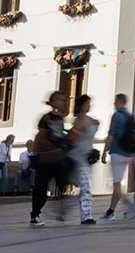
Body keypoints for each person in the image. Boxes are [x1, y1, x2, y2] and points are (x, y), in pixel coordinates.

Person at [29, 91, 73, 227]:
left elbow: (59, 135)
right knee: (41, 188)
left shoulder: (60, 119)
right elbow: (42, 137)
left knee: (63, 182)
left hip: (58, 159)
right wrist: (52, 149)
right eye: (60, 100)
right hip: (46, 159)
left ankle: (59, 207)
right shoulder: (46, 118)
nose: (63, 102)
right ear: (53, 102)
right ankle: (35, 214)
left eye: (64, 100)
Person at [101, 93, 135, 221]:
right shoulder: (130, 116)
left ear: (119, 102)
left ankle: (131, 207)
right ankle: (110, 211)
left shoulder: (117, 116)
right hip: (128, 153)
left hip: (117, 153)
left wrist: (104, 151)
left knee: (116, 184)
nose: (114, 104)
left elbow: (111, 134)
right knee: (116, 184)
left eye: (115, 102)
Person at [61, 94, 98, 224]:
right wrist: (77, 133)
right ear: (82, 105)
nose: (89, 105)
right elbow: (72, 138)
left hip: (88, 156)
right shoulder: (79, 120)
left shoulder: (89, 119)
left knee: (83, 186)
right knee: (85, 186)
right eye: (87, 103)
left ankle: (63, 207)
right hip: (79, 157)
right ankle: (86, 215)